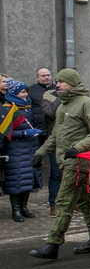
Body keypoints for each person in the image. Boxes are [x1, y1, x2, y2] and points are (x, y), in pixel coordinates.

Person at [27, 69, 90, 260]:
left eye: (61, 82)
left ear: (72, 83)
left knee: (63, 202)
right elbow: (56, 135)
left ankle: (53, 244)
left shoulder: (86, 104)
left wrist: (78, 148)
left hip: (78, 162)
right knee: (84, 202)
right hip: (65, 161)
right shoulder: (63, 105)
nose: (57, 85)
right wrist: (40, 153)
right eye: (56, 81)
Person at [2, 80, 43, 221]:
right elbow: (5, 132)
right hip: (16, 150)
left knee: (29, 179)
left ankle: (24, 207)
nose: (26, 94)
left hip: (30, 147)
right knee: (17, 180)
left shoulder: (27, 106)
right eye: (22, 92)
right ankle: (16, 210)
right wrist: (23, 134)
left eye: (26, 91)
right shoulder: (8, 109)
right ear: (14, 93)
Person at [26, 66, 61, 214]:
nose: (47, 77)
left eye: (48, 75)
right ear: (37, 77)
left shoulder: (56, 91)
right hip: (41, 132)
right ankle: (52, 202)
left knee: (60, 171)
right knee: (47, 167)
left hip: (57, 135)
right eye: (43, 75)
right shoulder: (33, 91)